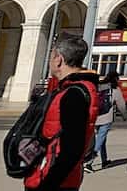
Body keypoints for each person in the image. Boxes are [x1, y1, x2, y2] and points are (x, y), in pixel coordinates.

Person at [23, 33, 100, 191]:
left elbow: (72, 149)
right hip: (53, 176)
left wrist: (48, 185)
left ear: (59, 59)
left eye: (51, 56)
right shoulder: (72, 89)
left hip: (53, 180)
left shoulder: (74, 94)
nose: (49, 61)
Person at [84, 69, 127, 173]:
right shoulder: (115, 89)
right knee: (100, 140)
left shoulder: (99, 87)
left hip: (96, 117)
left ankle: (104, 160)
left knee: (102, 139)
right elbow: (121, 104)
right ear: (116, 79)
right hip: (106, 117)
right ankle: (89, 163)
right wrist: (124, 115)